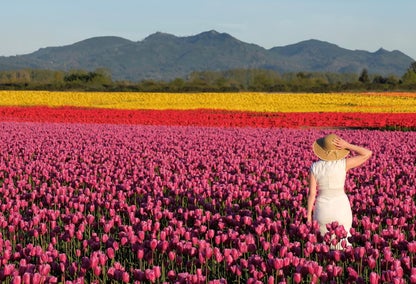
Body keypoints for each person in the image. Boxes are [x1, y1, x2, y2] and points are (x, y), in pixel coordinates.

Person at [307, 133, 372, 249]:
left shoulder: (315, 167)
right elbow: (367, 153)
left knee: (324, 247)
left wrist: (308, 217)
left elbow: (312, 194)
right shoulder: (343, 164)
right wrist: (348, 145)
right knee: (343, 246)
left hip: (323, 210)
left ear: (322, 150)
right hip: (341, 209)